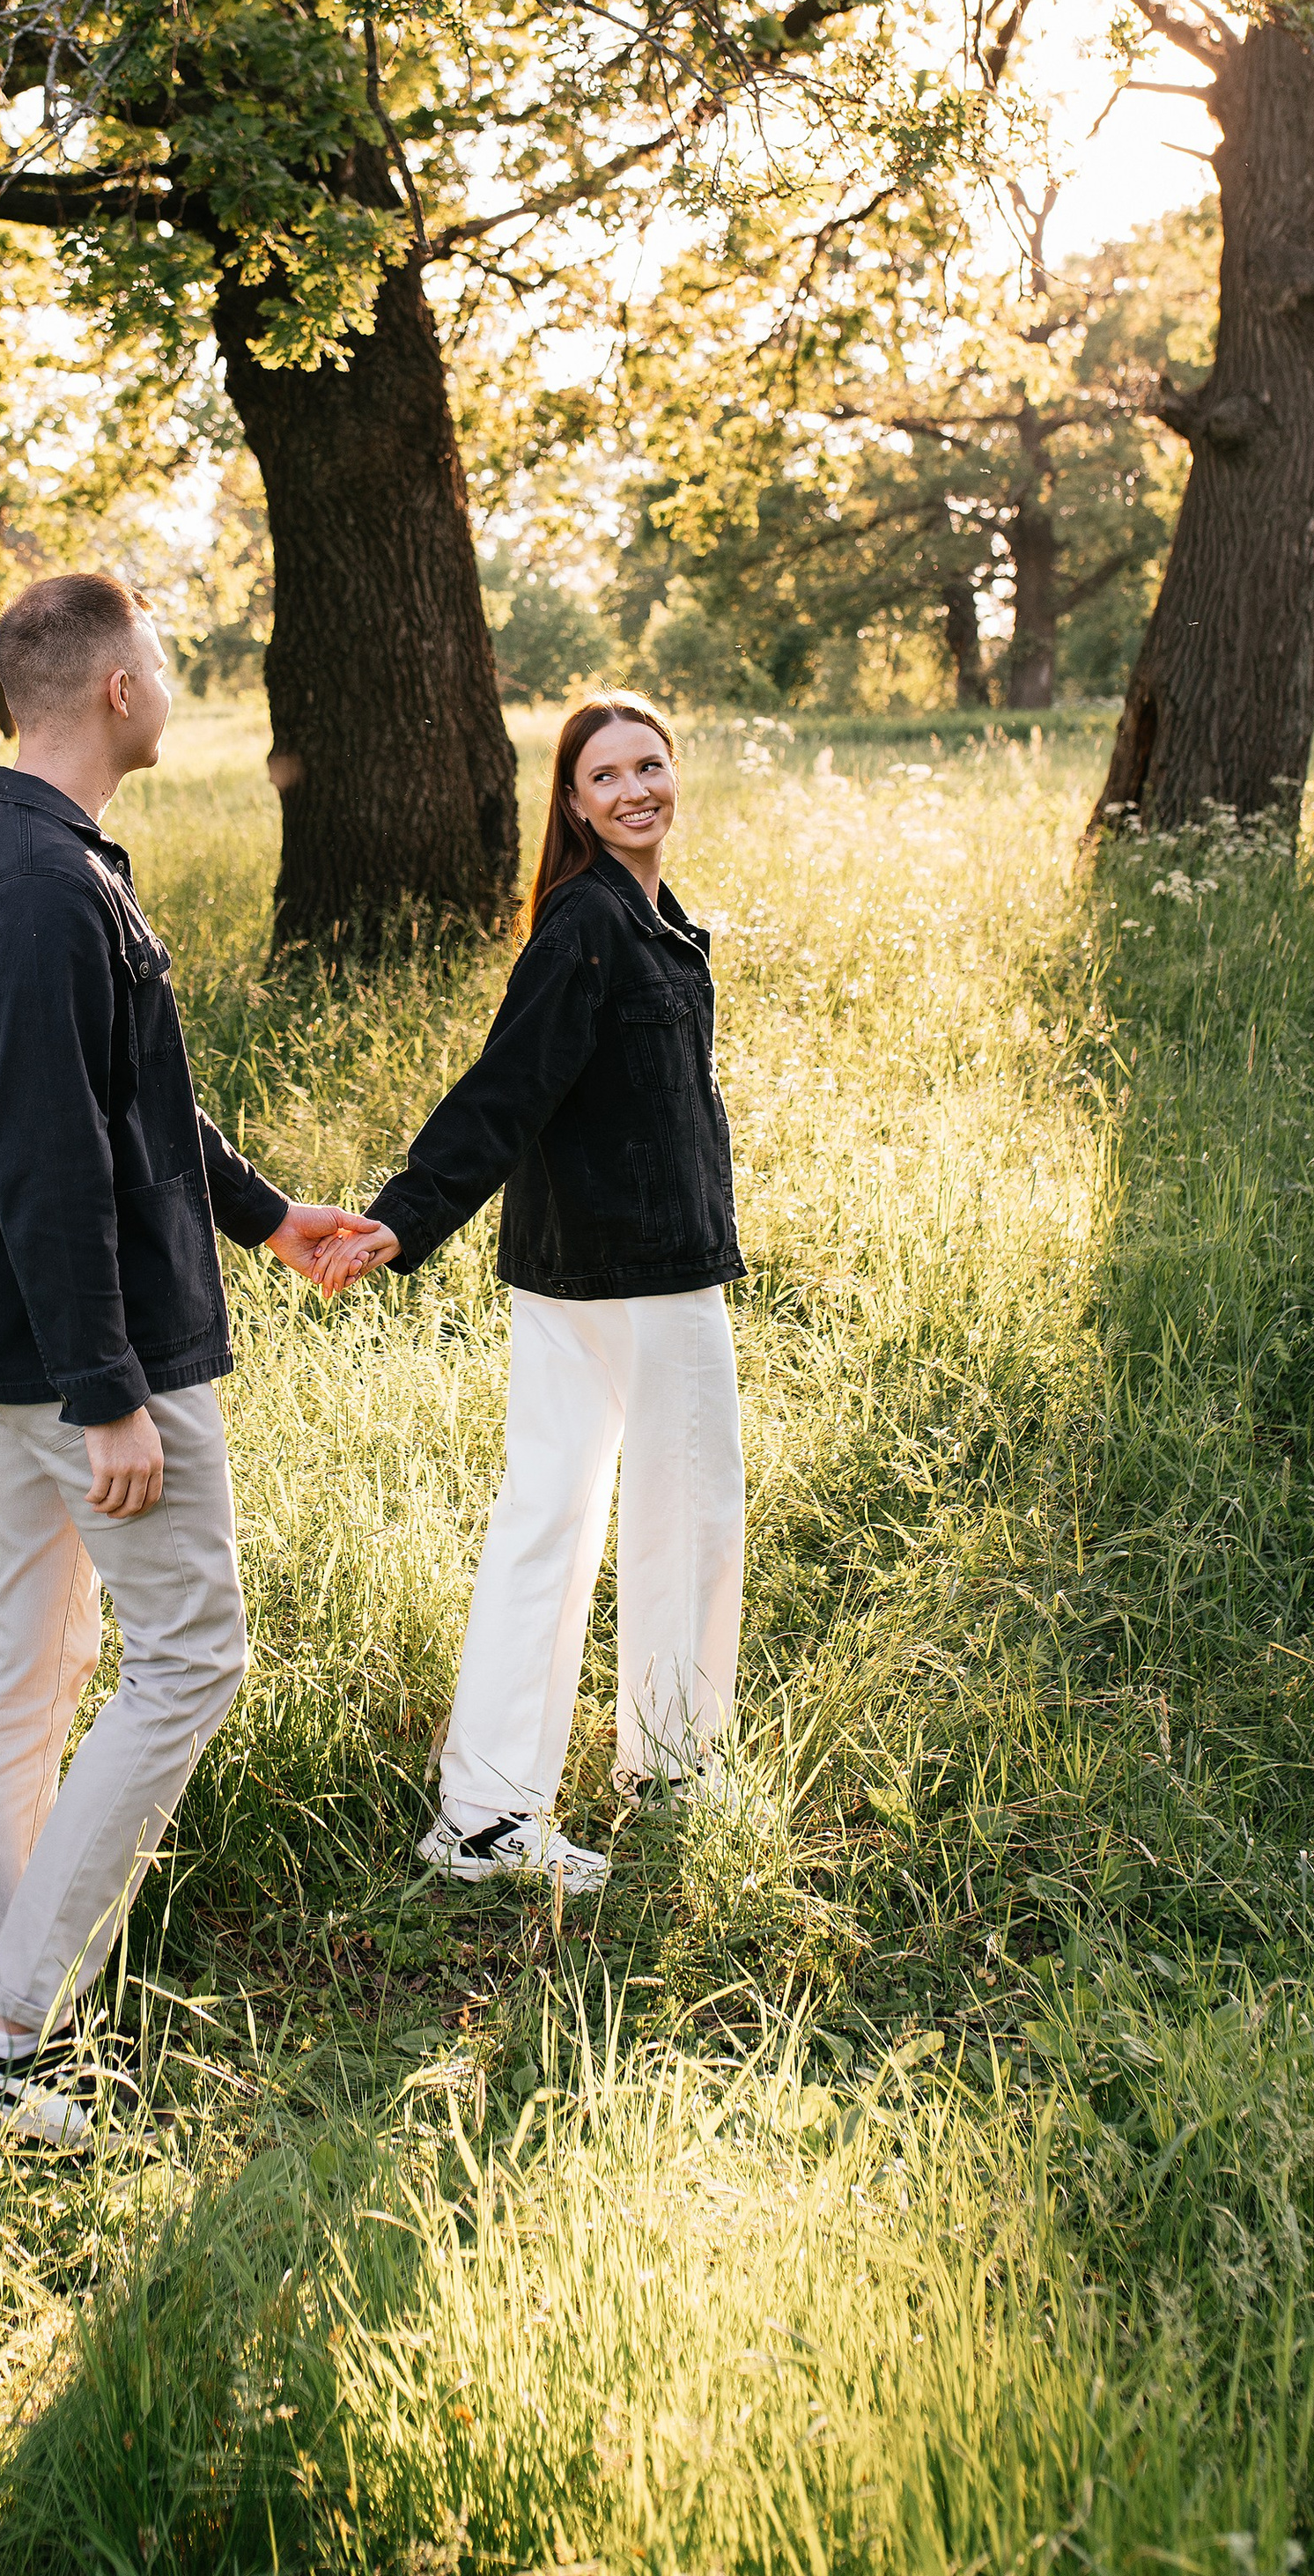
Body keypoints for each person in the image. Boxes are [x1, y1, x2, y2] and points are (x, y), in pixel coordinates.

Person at [0, 572, 380, 2142]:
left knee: (33, 1651)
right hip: (74, 1361)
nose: (171, 687)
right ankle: (7, 2037)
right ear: (115, 689)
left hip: (14, 1348)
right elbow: (47, 1158)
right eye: (161, 665)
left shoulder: (23, 859)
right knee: (193, 1654)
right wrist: (108, 1392)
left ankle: (0, 1987)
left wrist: (262, 1215)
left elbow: (126, 1109)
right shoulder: (40, 887)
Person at [321, 694, 744, 1894]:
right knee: (687, 1524)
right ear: (570, 802)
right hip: (638, 1282)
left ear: (676, 775)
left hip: (578, 1272)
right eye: (604, 776)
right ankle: (666, 1769)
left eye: (650, 766)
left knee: (549, 1526)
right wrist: (405, 1218)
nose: (633, 792)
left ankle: (490, 1812)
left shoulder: (654, 925)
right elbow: (504, 1090)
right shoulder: (589, 927)